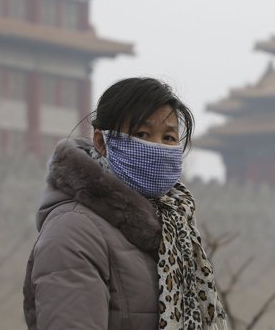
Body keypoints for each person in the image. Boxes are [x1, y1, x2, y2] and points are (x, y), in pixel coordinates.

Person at [23, 77, 228, 330]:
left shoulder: (174, 232)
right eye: (142, 134)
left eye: (169, 137)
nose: (157, 147)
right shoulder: (74, 232)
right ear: (101, 142)